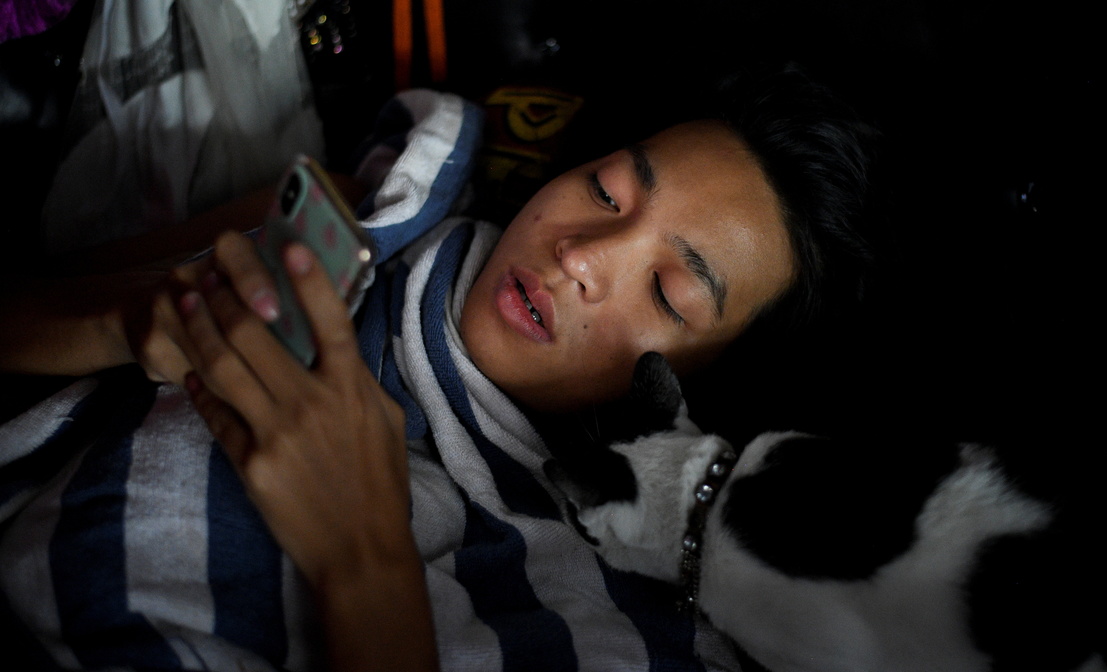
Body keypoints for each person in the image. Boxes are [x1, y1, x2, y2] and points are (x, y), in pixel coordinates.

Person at [0, 67, 880, 671]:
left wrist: (365, 557)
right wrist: (128, 320)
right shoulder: (364, 223)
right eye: (606, 190)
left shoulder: (614, 616)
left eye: (667, 290)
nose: (581, 254)